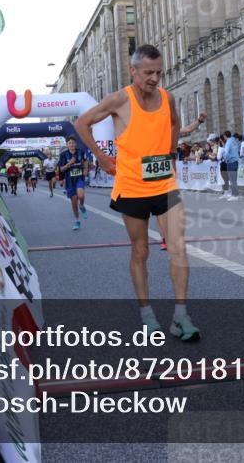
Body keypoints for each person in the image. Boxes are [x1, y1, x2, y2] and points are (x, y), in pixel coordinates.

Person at [73, 44, 200, 341]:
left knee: (178, 246)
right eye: (148, 73)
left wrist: (169, 152)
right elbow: (82, 123)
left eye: (159, 72)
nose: (154, 78)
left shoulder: (167, 97)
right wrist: (101, 158)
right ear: (133, 71)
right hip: (131, 187)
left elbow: (175, 122)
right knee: (140, 251)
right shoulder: (119, 99)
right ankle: (147, 315)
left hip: (165, 185)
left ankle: (181, 316)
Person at [56, 137, 89, 230]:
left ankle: (82, 205)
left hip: (79, 177)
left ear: (76, 144)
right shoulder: (63, 155)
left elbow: (86, 160)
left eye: (73, 143)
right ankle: (77, 221)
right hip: (69, 180)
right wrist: (69, 163)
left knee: (81, 195)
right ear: (67, 145)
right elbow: (61, 169)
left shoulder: (81, 152)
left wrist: (85, 169)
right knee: (74, 201)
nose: (72, 145)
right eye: (69, 143)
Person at [220, 130, 241, 201]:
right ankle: (234, 194)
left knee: (232, 180)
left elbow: (226, 153)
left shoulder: (228, 142)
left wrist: (226, 159)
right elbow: (237, 149)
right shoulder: (234, 141)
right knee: (234, 179)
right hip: (236, 161)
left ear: (225, 136)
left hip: (231, 161)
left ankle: (235, 195)